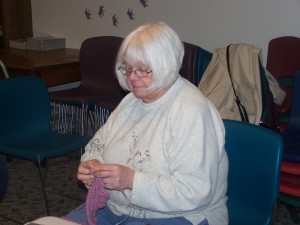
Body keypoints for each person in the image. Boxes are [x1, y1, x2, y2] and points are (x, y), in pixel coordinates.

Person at [66, 22, 228, 225]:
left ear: (166, 66)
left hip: (179, 216)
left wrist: (132, 181)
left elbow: (194, 191)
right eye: (128, 67)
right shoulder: (131, 101)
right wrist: (92, 164)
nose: (132, 77)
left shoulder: (192, 111)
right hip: (117, 208)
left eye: (143, 69)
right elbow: (98, 144)